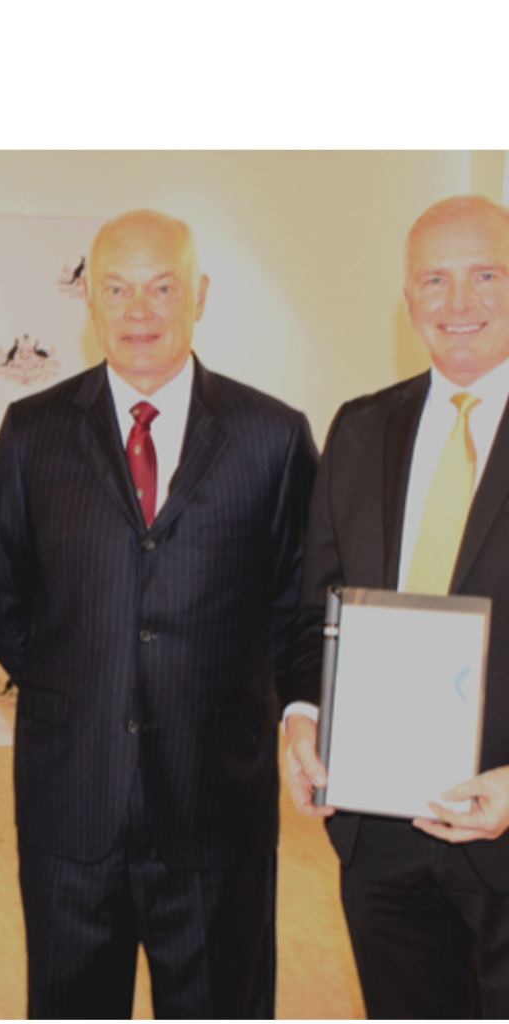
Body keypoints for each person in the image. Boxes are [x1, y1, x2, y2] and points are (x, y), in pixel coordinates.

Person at [0, 209, 318, 1018]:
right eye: (118, 289)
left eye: (162, 288)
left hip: (215, 807)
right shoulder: (33, 433)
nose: (140, 311)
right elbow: (1, 593)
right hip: (71, 803)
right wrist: (82, 688)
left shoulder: (273, 437)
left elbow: (298, 606)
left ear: (198, 294)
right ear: (89, 300)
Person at [286, 195, 509, 1018]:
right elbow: (318, 609)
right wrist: (305, 716)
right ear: (408, 299)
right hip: (378, 833)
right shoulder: (360, 429)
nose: (459, 304)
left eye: (487, 275)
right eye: (435, 280)